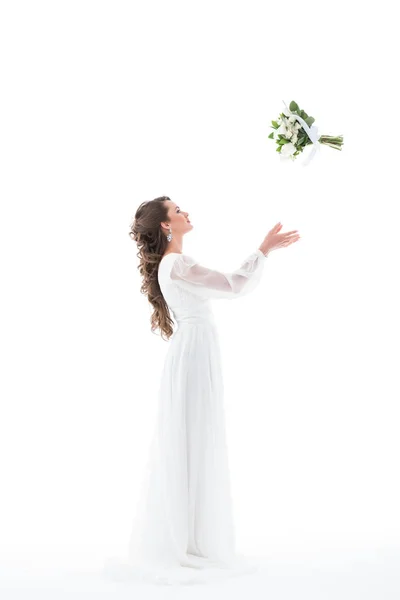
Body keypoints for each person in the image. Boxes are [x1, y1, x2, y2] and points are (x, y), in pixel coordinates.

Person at [120, 195, 300, 585]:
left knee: (191, 436)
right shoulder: (178, 263)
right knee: (196, 436)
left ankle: (191, 535)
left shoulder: (171, 264)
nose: (185, 211)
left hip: (192, 349)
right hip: (195, 351)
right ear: (167, 225)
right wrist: (263, 251)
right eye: (177, 210)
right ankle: (192, 540)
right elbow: (233, 285)